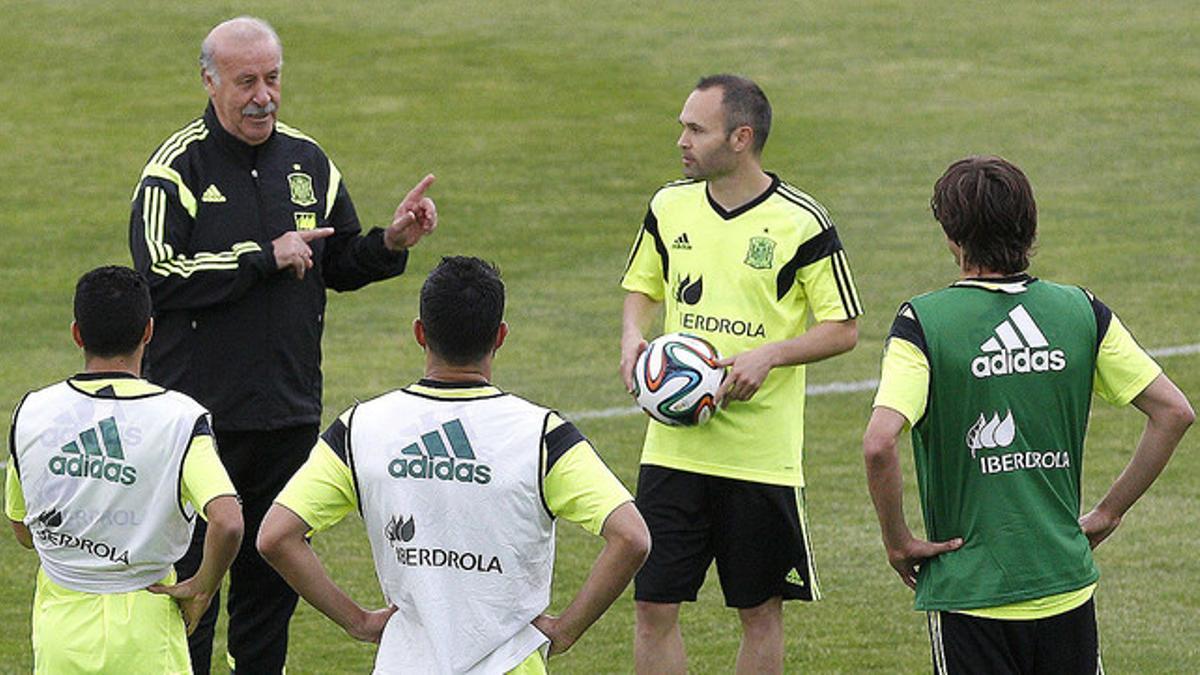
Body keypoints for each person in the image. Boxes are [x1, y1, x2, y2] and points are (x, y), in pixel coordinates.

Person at [126, 16, 438, 673]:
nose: (263, 95)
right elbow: (158, 276)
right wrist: (261, 257)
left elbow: (339, 261)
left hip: (288, 411)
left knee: (270, 588)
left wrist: (389, 243)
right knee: (191, 589)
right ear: (209, 83)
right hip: (197, 421)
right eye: (246, 82)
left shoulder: (308, 161)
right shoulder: (175, 169)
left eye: (273, 79)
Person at [862, 155, 1194, 674]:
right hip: (1063, 581)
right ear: (1030, 226)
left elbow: (879, 443)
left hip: (971, 590)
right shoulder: (1081, 309)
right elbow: (1173, 412)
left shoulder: (922, 322)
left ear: (952, 235)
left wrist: (897, 541)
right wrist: (1108, 513)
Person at [255, 256, 650, 674]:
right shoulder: (542, 435)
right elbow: (632, 537)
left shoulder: (360, 428)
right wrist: (566, 631)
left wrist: (358, 622)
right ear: (500, 337)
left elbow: (276, 537)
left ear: (419, 333)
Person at [619, 74, 861, 674]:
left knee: (758, 612)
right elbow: (642, 287)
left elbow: (844, 326)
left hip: (759, 456)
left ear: (740, 138)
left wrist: (769, 355)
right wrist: (632, 337)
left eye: (696, 129)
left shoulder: (801, 222)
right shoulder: (668, 204)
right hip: (673, 450)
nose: (681, 139)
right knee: (652, 605)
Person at [6, 266, 243, 673]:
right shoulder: (181, 418)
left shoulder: (32, 411)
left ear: (77, 333)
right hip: (148, 632)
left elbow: (23, 529)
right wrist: (203, 586)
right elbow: (228, 522)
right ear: (148, 331)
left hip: (61, 636)